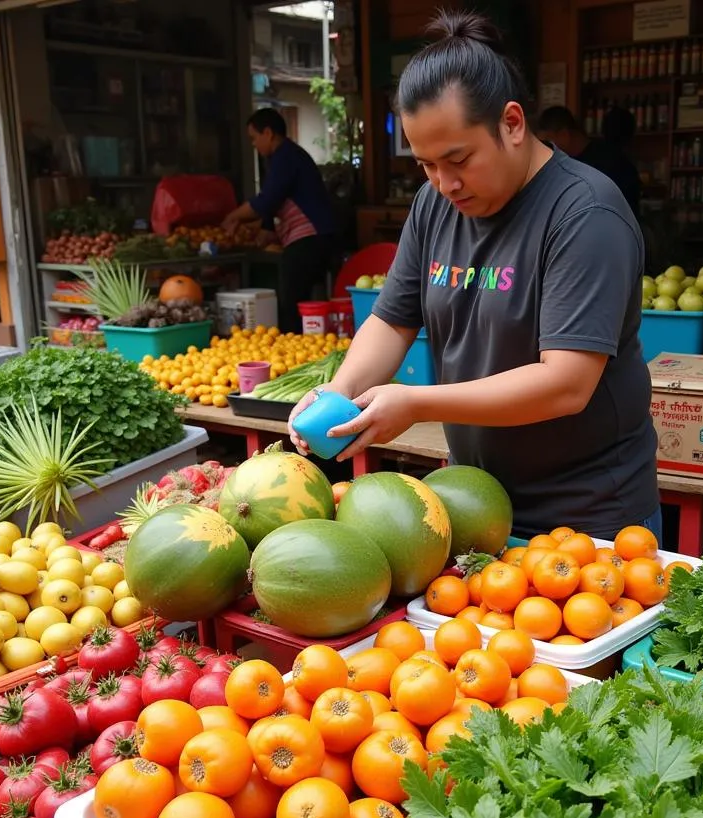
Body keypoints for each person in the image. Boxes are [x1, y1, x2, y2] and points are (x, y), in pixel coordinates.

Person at [288, 11, 659, 542]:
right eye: (426, 164)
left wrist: (416, 402)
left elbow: (566, 384)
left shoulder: (585, 213)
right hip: (476, 502)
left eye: (458, 159)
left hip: (589, 521)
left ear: (512, 123)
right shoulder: (434, 205)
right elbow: (392, 320)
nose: (444, 183)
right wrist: (341, 392)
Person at [223, 108, 336, 332]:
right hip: (315, 238)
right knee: (302, 300)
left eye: (254, 138)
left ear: (268, 133)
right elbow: (274, 204)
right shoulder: (284, 157)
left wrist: (233, 217)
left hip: (308, 239)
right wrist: (263, 228)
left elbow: (267, 200)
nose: (254, 144)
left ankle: (296, 347)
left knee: (292, 303)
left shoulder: (286, 156)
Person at [537, 105, 641, 216]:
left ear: (564, 135)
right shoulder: (565, 164)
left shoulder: (609, 164)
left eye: (547, 142)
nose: (544, 149)